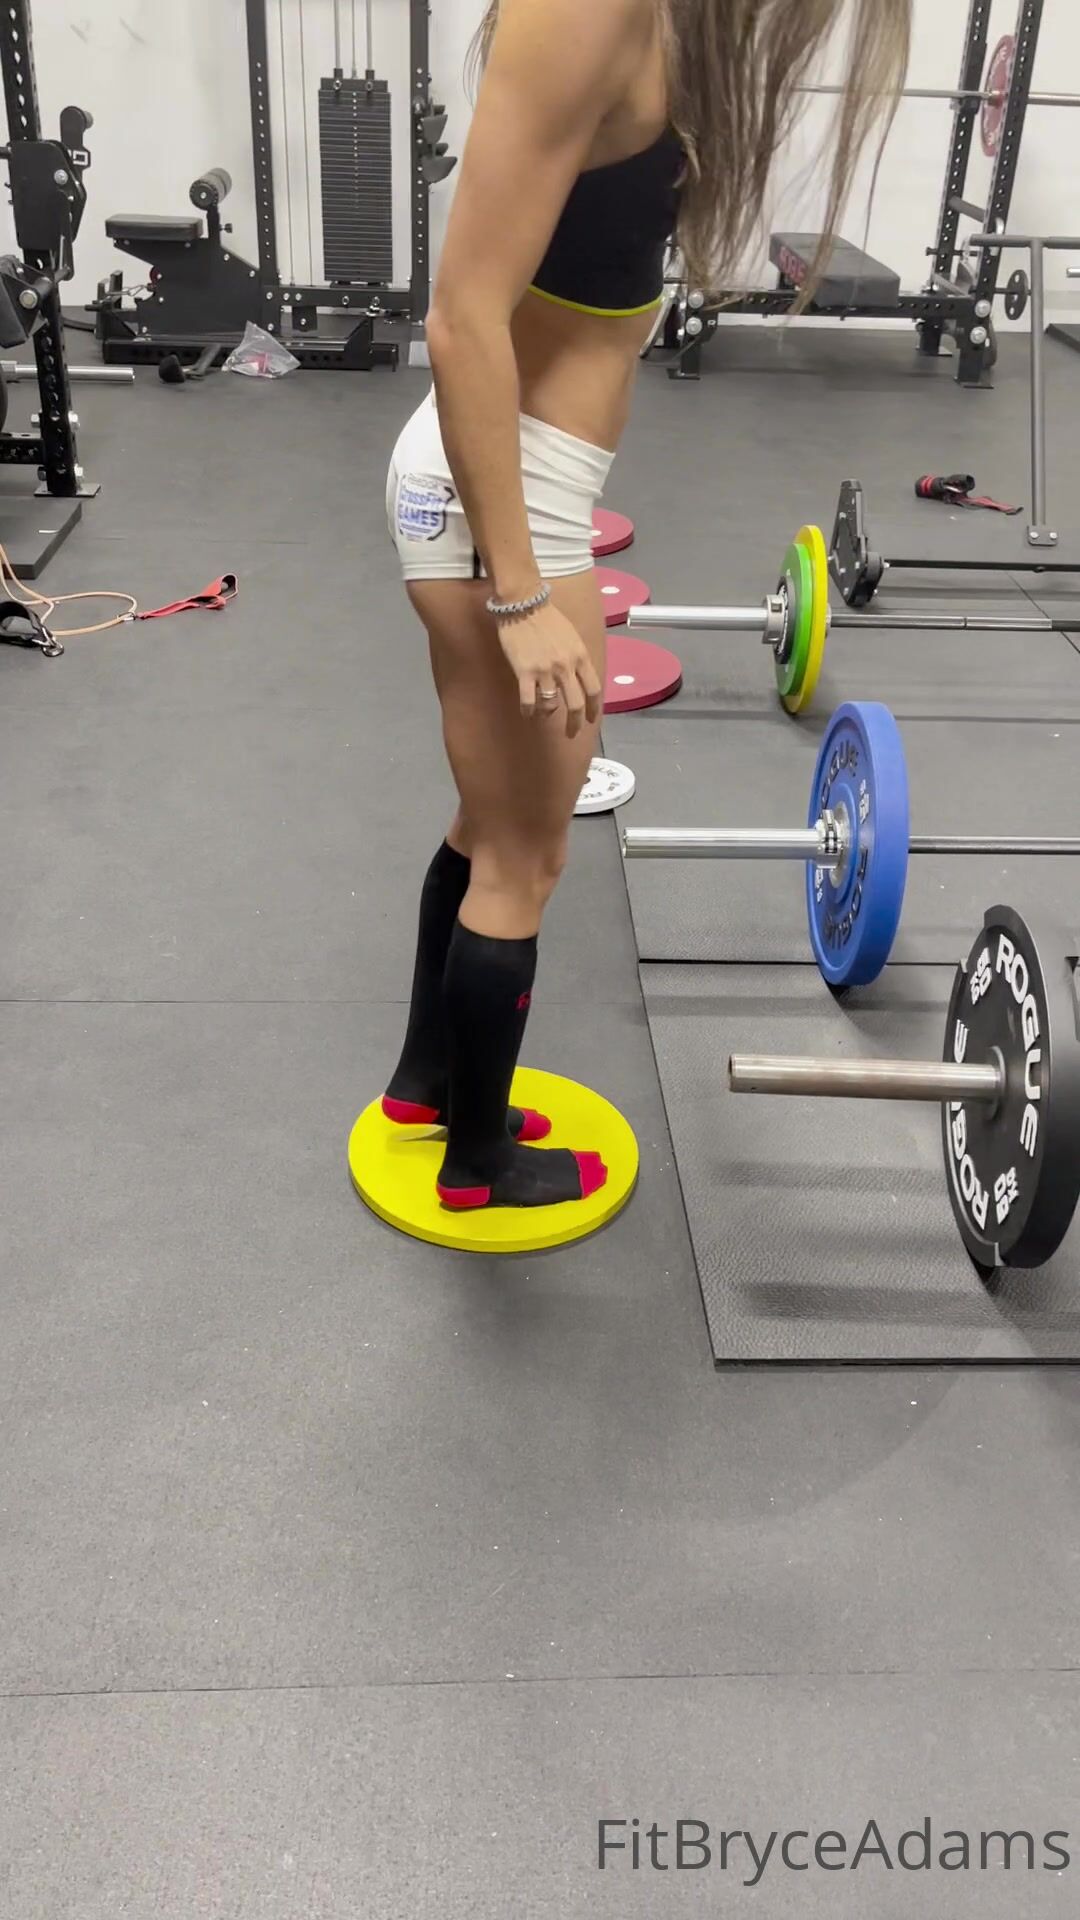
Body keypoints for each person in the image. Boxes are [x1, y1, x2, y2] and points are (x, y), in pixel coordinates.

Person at [382, 0, 911, 1214]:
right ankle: (478, 1166)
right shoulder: (591, 10)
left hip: (502, 481)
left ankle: (429, 1084)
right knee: (528, 852)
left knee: (486, 821)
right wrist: (521, 591)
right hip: (507, 501)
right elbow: (460, 321)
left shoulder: (663, 24)